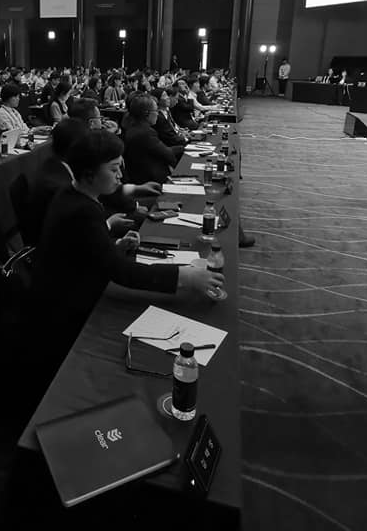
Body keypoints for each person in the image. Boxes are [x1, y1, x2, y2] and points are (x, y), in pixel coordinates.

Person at [26, 130, 224, 383]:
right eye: (113, 169)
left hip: (70, 284)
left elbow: (84, 250)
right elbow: (122, 272)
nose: (120, 175)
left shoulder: (76, 195)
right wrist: (185, 276)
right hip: (65, 308)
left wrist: (114, 246)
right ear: (89, 173)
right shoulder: (81, 210)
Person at [121, 95, 177, 186]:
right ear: (146, 113)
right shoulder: (146, 132)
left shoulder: (132, 127)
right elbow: (167, 154)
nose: (158, 114)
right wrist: (183, 148)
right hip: (151, 181)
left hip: (140, 177)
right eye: (156, 110)